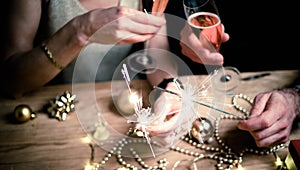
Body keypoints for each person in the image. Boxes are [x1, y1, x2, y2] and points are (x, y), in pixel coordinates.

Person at [0, 0, 169, 99]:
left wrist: (169, 92)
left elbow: (158, 57)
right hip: (53, 105)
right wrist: (81, 30)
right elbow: (12, 82)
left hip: (120, 104)